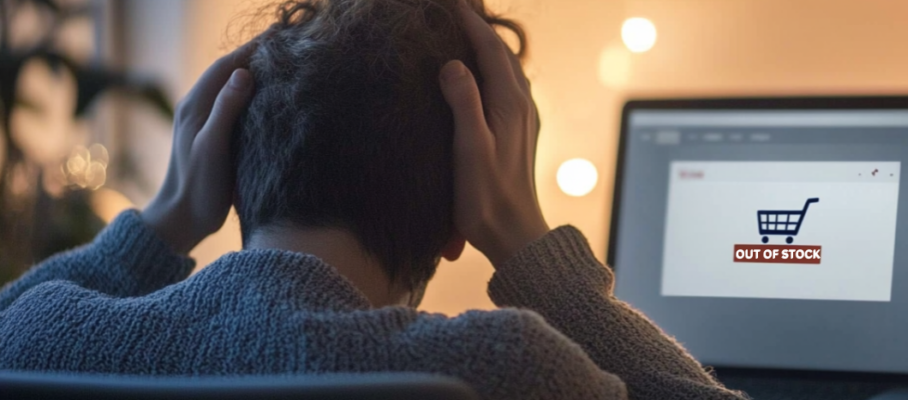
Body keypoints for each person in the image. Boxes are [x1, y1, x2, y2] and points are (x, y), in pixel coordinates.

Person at [0, 1, 745, 399]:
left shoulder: (45, 337)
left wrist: (162, 223)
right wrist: (528, 249)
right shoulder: (508, 371)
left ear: (223, 174)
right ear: (463, 212)